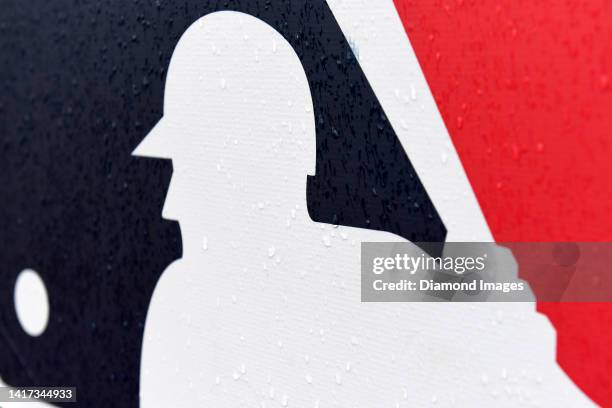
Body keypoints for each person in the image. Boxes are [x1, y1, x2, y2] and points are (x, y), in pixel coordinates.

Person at [134, 11, 590, 407]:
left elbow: (516, 349)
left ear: (256, 169)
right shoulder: (186, 307)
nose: (171, 205)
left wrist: (504, 344)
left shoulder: (375, 274)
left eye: (192, 170)